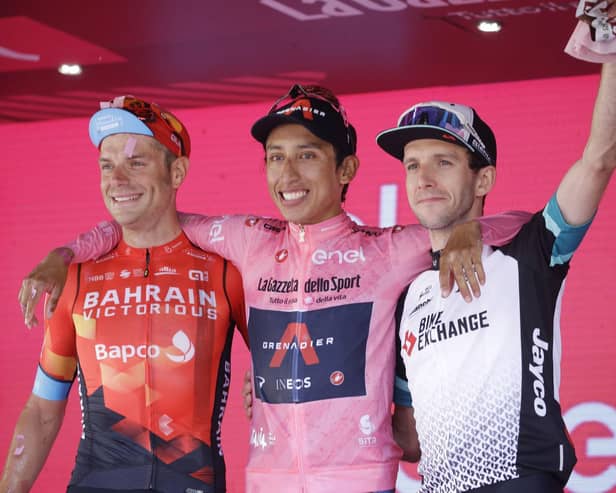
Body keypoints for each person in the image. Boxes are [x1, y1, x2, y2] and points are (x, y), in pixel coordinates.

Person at [16, 86, 529, 493]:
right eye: (275, 157)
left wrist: (468, 231)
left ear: (345, 169)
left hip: (358, 479)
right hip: (268, 479)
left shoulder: (386, 250)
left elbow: (527, 224)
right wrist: (66, 254)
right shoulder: (246, 241)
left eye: (306, 156)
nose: (288, 173)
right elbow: (145, 217)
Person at [376, 57, 616, 493]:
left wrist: (613, 49)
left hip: (518, 479)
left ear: (483, 179)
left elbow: (598, 160)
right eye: (413, 165)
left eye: (443, 162)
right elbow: (407, 439)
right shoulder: (407, 296)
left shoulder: (529, 250)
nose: (424, 178)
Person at [1, 96, 248, 493]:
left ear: (177, 171)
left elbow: (281, 368)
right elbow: (43, 409)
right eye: (106, 166)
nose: (117, 180)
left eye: (136, 163)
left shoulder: (223, 271)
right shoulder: (77, 277)